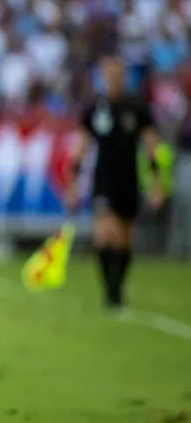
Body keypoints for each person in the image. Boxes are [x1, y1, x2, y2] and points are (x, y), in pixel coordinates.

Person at [66, 55, 166, 311]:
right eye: (108, 75)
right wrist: (73, 184)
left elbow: (151, 148)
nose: (112, 79)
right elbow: (80, 148)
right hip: (103, 178)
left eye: (117, 75)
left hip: (128, 178)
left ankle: (117, 289)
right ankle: (110, 293)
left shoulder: (137, 108)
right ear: (102, 77)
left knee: (123, 239)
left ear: (123, 77)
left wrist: (156, 185)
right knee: (103, 234)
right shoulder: (94, 109)